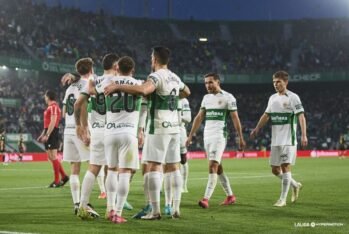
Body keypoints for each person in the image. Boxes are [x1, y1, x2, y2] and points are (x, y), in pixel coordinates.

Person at [104, 46, 190, 220]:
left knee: (154, 166)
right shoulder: (175, 77)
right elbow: (187, 92)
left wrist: (118, 84)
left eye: (152, 58)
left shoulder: (156, 76)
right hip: (175, 127)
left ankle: (155, 211)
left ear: (155, 59)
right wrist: (168, 98)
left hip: (159, 126)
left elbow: (143, 90)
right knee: (174, 167)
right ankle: (175, 209)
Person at [186, 73, 245, 209]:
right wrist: (190, 135)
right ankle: (230, 196)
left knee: (212, 165)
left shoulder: (228, 97)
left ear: (218, 82)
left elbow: (235, 118)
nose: (208, 85)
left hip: (219, 136)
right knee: (218, 168)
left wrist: (240, 137)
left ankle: (206, 199)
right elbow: (199, 117)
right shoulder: (206, 98)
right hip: (207, 136)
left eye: (211, 82)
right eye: (206, 83)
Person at [250, 70, 307, 207]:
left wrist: (304, 135)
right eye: (274, 82)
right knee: (275, 170)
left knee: (285, 167)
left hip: (288, 139)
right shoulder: (272, 98)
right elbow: (266, 115)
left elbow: (301, 116)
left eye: (278, 82)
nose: (275, 84)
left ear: (285, 82)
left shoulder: (293, 97)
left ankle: (282, 199)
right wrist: (257, 128)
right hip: (276, 140)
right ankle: (295, 184)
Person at [97, 56, 143, 223]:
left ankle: (109, 209)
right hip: (128, 133)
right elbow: (145, 92)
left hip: (109, 133)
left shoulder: (107, 82)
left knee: (112, 170)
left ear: (117, 67)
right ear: (132, 69)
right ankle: (118, 212)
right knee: (125, 172)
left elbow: (91, 87)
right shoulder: (138, 83)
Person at [75, 53, 119, 219]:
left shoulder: (93, 81)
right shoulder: (118, 81)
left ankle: (83, 205)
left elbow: (78, 103)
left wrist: (81, 126)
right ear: (116, 66)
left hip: (97, 131)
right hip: (112, 129)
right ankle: (111, 209)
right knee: (112, 170)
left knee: (93, 168)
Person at [62, 58, 91, 214]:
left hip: (68, 130)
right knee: (94, 165)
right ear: (91, 69)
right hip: (81, 129)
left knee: (74, 169)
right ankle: (85, 202)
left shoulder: (69, 88)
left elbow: (63, 111)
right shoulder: (89, 84)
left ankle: (76, 202)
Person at [37, 90, 69, 188]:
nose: (44, 98)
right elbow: (47, 124)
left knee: (53, 156)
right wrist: (43, 134)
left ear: (48, 97)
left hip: (52, 132)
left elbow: (53, 121)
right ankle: (63, 176)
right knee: (50, 156)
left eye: (45, 96)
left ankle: (57, 180)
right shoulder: (51, 107)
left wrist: (47, 135)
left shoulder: (54, 107)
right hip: (49, 131)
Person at [178, 98, 191, 193]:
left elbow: (188, 118)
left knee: (183, 159)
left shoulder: (183, 100)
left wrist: (177, 117)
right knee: (164, 160)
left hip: (179, 131)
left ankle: (184, 185)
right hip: (165, 131)